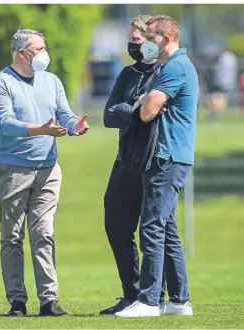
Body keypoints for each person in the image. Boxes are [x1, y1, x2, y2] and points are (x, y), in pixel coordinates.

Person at [0, 29, 89, 317]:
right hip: (13, 171)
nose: (44, 53)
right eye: (38, 49)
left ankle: (48, 301)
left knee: (44, 233)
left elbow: (64, 112)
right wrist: (41, 129)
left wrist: (73, 125)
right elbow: (5, 123)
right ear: (22, 53)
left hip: (47, 170)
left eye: (45, 47)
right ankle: (17, 302)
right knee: (12, 237)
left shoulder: (51, 80)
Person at [116, 15, 199, 317]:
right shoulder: (172, 67)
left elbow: (149, 111)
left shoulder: (175, 67)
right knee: (167, 229)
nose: (145, 42)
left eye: (150, 37)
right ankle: (179, 301)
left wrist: (138, 104)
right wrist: (146, 100)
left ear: (165, 38)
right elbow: (151, 103)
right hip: (169, 156)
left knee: (151, 225)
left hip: (167, 156)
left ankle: (149, 300)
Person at [100, 15, 166, 315]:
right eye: (130, 41)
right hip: (124, 159)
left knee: (153, 230)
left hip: (151, 160)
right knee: (115, 224)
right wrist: (133, 108)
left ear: (151, 42)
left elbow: (154, 115)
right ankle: (131, 292)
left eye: (138, 41)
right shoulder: (126, 74)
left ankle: (157, 294)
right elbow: (108, 115)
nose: (133, 46)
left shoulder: (165, 73)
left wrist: (136, 110)